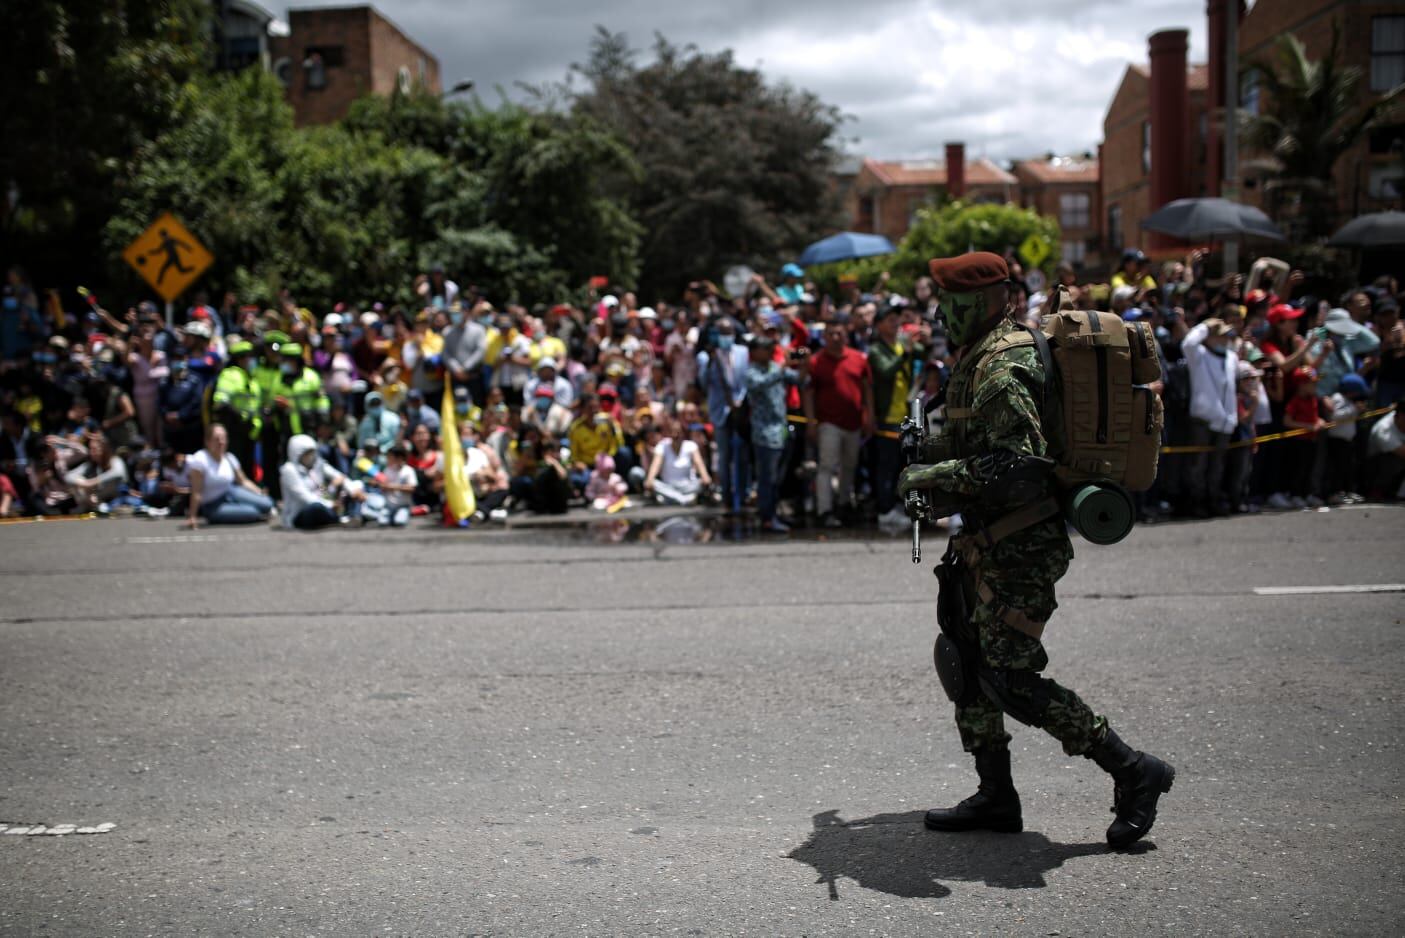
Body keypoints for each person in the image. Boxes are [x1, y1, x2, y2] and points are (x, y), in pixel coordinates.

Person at [898, 251, 1174, 849]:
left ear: (990, 299)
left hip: (1022, 541)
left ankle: (1134, 770)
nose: (942, 311)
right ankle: (996, 795)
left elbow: (1019, 464)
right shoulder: (976, 351)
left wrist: (933, 474)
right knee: (966, 661)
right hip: (988, 535)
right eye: (940, 298)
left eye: (953, 300)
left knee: (1012, 678)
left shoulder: (1005, 360)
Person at [804, 318, 873, 526]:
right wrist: (810, 422)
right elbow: (808, 392)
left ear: (846, 336)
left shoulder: (859, 359)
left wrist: (870, 416)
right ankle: (824, 510)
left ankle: (844, 504)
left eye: (839, 333)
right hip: (828, 423)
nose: (835, 338)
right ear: (824, 337)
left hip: (854, 422)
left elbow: (867, 389)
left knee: (849, 466)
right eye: (831, 334)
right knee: (827, 466)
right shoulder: (816, 361)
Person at [744, 336, 807, 532]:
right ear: (754, 352)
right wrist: (782, 367)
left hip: (781, 431)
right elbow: (761, 384)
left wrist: (805, 363)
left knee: (779, 478)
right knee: (766, 478)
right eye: (764, 348)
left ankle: (773, 513)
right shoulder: (751, 371)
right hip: (764, 433)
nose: (769, 352)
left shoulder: (774, 366)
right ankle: (767, 517)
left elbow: (799, 380)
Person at [869, 305, 923, 525]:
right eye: (890, 320)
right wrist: (907, 352)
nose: (895, 324)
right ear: (879, 325)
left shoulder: (903, 343)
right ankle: (884, 510)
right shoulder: (876, 350)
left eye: (897, 320)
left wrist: (923, 337)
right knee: (886, 466)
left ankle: (899, 505)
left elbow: (923, 351)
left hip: (905, 416)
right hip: (887, 418)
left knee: (904, 465)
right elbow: (886, 370)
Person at [1182, 317, 1239, 516]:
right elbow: (1188, 343)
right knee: (1199, 464)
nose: (1225, 339)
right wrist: (1204, 326)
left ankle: (1213, 500)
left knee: (1218, 465)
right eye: (1220, 335)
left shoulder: (1232, 357)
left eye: (1227, 336)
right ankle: (1196, 502)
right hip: (1203, 418)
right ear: (1210, 338)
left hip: (1226, 420)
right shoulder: (1199, 355)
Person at [185, 423, 273, 526]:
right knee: (253, 512)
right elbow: (196, 492)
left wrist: (259, 492)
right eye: (217, 439)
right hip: (213, 505)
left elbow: (243, 481)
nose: (221, 442)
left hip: (231, 492)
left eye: (223, 438)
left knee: (267, 503)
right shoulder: (200, 460)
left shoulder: (229, 457)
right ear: (207, 442)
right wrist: (192, 516)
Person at [280, 433, 365, 529]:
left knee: (358, 485)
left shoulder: (317, 463)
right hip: (302, 513)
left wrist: (353, 490)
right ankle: (342, 519)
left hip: (325, 504)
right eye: (307, 453)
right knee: (316, 508)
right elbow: (306, 498)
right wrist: (330, 504)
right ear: (297, 454)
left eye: (312, 452)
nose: (311, 456)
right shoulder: (289, 470)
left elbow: (339, 476)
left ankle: (354, 516)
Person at [211, 340, 262, 477]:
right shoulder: (231, 375)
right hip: (234, 430)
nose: (252, 360)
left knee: (248, 469)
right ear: (240, 359)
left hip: (250, 432)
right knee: (235, 469)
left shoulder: (251, 378)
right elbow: (221, 402)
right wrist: (238, 418)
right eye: (249, 357)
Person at [642, 417, 712, 505]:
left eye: (678, 432)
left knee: (703, 483)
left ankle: (671, 499)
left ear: (683, 433)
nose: (675, 435)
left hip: (688, 486)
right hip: (668, 486)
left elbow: (699, 463)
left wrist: (705, 476)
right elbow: (656, 465)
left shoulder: (691, 446)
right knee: (652, 483)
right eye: (673, 432)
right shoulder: (662, 446)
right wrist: (650, 479)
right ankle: (684, 500)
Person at [63, 433, 128, 513]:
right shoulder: (91, 464)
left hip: (116, 495)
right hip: (96, 497)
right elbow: (68, 476)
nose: (91, 452)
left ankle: (99, 506)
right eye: (90, 449)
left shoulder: (115, 460)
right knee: (79, 481)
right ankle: (92, 506)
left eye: (94, 449)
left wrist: (92, 482)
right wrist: (84, 483)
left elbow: (118, 473)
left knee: (112, 480)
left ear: (103, 449)